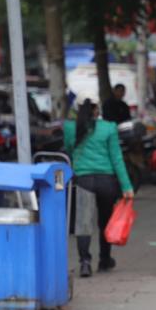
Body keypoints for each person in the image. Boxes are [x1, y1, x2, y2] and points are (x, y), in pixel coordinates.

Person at [63, 100, 134, 278]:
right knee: (105, 222)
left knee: (83, 224)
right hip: (106, 181)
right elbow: (117, 158)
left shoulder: (71, 128)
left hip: (83, 180)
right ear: (97, 110)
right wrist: (127, 186)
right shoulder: (109, 128)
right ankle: (104, 260)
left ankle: (85, 263)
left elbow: (69, 149)